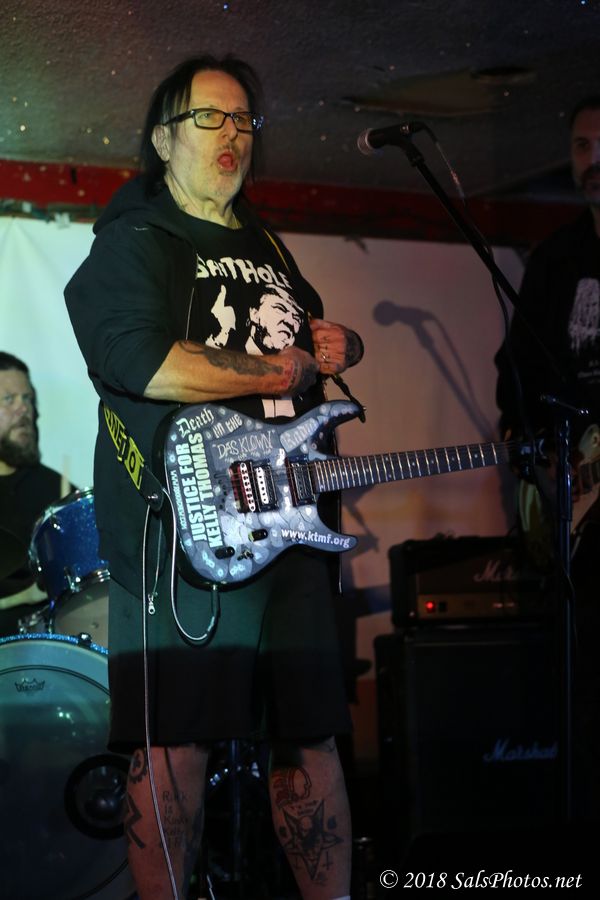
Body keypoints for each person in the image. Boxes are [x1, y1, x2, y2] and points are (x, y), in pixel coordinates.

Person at [64, 54, 364, 900]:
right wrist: (273, 370)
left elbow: (305, 346)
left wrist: (338, 345)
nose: (231, 134)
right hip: (185, 534)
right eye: (208, 118)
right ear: (164, 140)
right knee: (175, 742)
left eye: (242, 121)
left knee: (310, 733)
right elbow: (140, 361)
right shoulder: (136, 238)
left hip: (289, 521)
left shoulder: (265, 242)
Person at [495, 95, 600, 827]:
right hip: (578, 511)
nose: (593, 161)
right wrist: (533, 447)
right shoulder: (557, 258)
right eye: (582, 146)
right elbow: (517, 372)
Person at [0, 352, 68, 635]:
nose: (23, 409)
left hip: (47, 646)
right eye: (9, 399)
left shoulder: (56, 490)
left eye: (27, 399)